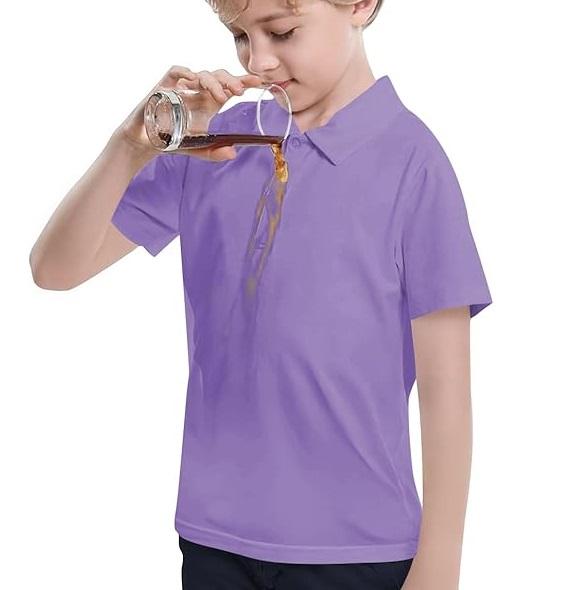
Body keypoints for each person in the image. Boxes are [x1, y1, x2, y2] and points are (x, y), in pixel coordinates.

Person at [29, 0, 493, 588]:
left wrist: (440, 564)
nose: (258, 61)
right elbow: (54, 269)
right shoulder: (216, 144)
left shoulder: (413, 163)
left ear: (359, 5)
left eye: (282, 31)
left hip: (355, 550)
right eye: (240, 37)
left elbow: (446, 391)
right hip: (214, 537)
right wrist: (133, 146)